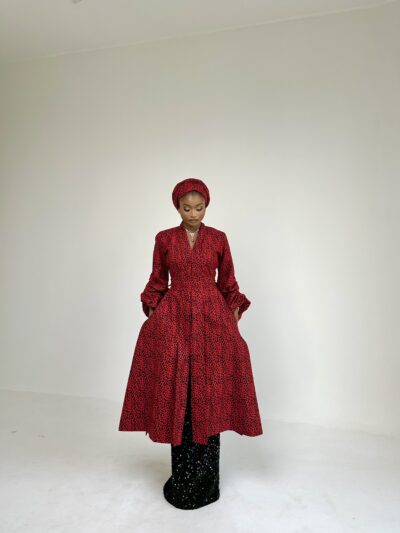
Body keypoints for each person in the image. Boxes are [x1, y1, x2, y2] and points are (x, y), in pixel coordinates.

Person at [119, 177, 263, 509]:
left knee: (208, 393)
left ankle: (207, 486)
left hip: (212, 320)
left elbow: (228, 281)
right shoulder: (164, 238)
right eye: (187, 208)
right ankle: (183, 484)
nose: (193, 214)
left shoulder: (219, 238)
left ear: (207, 206)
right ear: (177, 207)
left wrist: (232, 316)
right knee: (181, 392)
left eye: (199, 208)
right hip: (175, 318)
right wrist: (154, 312)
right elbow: (158, 280)